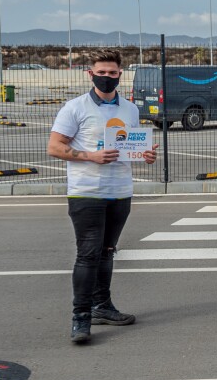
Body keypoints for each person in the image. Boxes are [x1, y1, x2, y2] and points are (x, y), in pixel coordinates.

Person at [47, 49, 156, 345]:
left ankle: (102, 305)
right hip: (87, 192)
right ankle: (80, 317)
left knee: (108, 250)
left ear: (120, 74)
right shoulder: (75, 107)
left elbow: (129, 146)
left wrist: (144, 155)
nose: (106, 77)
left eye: (112, 73)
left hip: (120, 191)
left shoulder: (130, 110)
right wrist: (89, 156)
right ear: (90, 73)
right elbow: (55, 147)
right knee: (89, 253)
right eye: (101, 72)